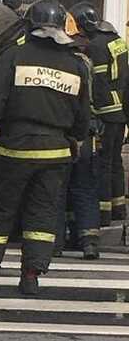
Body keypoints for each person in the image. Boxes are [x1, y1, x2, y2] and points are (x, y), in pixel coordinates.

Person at [0, 0, 91, 295]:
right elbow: (83, 117)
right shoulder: (77, 64)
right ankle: (31, 276)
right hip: (56, 152)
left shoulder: (14, 56)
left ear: (30, 25)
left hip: (14, 148)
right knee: (42, 215)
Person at [70, 2, 128, 224]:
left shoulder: (95, 46)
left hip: (105, 111)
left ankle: (103, 212)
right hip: (120, 111)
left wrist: (91, 113)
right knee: (115, 161)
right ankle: (118, 208)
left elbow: (97, 83)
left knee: (102, 163)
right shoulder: (118, 41)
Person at [54, 13, 101, 260]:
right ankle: (89, 241)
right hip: (85, 132)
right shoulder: (84, 62)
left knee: (58, 187)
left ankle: (56, 242)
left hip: (64, 133)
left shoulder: (57, 63)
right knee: (84, 187)